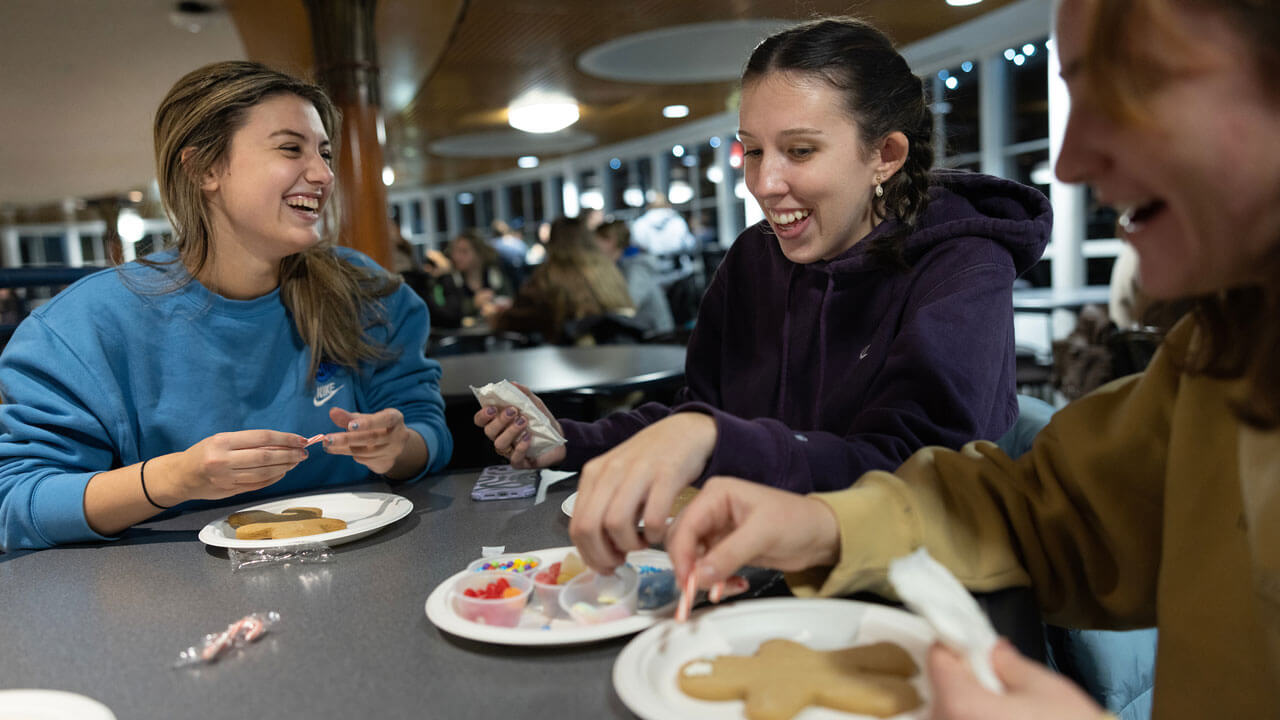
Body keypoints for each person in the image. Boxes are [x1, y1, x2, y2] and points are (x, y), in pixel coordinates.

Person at [665, 0, 1280, 717]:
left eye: (1133, 87)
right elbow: (1048, 515)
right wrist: (827, 527)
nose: (1070, 159)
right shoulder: (1225, 352)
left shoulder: (960, 262)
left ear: (885, 158)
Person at [477, 17, 1050, 573]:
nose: (764, 183)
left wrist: (714, 438)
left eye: (799, 151)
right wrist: (569, 441)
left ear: (886, 155)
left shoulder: (963, 265)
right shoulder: (755, 257)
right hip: (762, 567)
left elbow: (912, 480)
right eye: (752, 150)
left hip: (922, 584)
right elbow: (701, 413)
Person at [0, 61, 452, 552]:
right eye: (290, 148)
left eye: (324, 152)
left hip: (373, 567)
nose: (323, 173)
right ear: (203, 169)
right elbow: (18, 501)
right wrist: (174, 478)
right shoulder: (81, 327)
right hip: (174, 600)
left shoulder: (366, 294)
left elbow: (427, 431)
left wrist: (396, 447)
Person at [491, 216, 634, 344]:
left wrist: (496, 316)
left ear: (553, 241)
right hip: (620, 353)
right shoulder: (608, 270)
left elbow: (519, 318)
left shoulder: (551, 274)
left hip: (572, 360)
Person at [594, 219, 675, 335]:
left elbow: (628, 307)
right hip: (636, 334)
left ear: (611, 240)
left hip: (655, 339)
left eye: (598, 239)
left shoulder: (636, 267)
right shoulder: (618, 266)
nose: (594, 245)